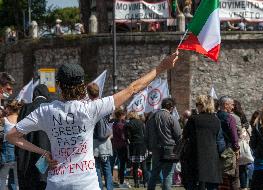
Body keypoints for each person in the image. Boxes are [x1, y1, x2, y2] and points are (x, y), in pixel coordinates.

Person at [6, 51, 179, 190]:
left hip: (56, 182)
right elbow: (132, 88)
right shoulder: (91, 108)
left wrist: (43, 152)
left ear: (59, 85)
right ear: (83, 86)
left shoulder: (46, 111)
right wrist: (161, 67)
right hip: (85, 183)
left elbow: (12, 136)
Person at [181, 95, 225, 190]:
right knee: (211, 186)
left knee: (194, 185)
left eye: (198, 104)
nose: (197, 106)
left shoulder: (193, 119)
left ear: (202, 105)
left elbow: (185, 135)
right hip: (212, 157)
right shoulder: (216, 120)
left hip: (195, 157)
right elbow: (220, 141)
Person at [16, 84, 51, 190]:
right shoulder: (51, 108)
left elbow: (18, 133)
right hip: (47, 157)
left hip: (28, 157)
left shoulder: (26, 108)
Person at [146, 98, 182, 190]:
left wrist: (149, 146)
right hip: (169, 148)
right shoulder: (170, 117)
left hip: (155, 148)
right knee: (168, 174)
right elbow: (178, 134)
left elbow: (147, 134)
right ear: (171, 107)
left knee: (154, 173)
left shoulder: (151, 117)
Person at [87, 83, 113, 190]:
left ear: (88, 93)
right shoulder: (105, 104)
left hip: (93, 142)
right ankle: (109, 188)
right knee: (107, 168)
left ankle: (99, 188)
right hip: (105, 141)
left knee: (96, 168)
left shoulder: (88, 106)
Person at [217, 96, 240, 190]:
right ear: (226, 105)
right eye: (232, 105)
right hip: (229, 150)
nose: (233, 107)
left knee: (220, 177)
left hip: (216, 150)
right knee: (233, 177)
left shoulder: (214, 116)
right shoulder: (230, 118)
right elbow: (234, 135)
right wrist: (237, 148)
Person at [0, 99, 23, 190]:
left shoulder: (4, 120)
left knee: (2, 178)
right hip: (18, 153)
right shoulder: (21, 120)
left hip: (6, 154)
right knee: (14, 180)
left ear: (9, 108)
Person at [125, 111, 148, 188]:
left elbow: (128, 136)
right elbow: (145, 134)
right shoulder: (142, 123)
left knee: (135, 166)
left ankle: (136, 183)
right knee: (143, 166)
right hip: (142, 146)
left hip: (134, 146)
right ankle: (145, 183)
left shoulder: (128, 124)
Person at [110, 108, 129, 188]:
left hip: (115, 145)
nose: (125, 117)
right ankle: (121, 181)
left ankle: (114, 179)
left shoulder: (114, 123)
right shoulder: (120, 125)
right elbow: (123, 136)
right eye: (124, 115)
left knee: (115, 163)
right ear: (121, 115)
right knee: (122, 164)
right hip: (122, 145)